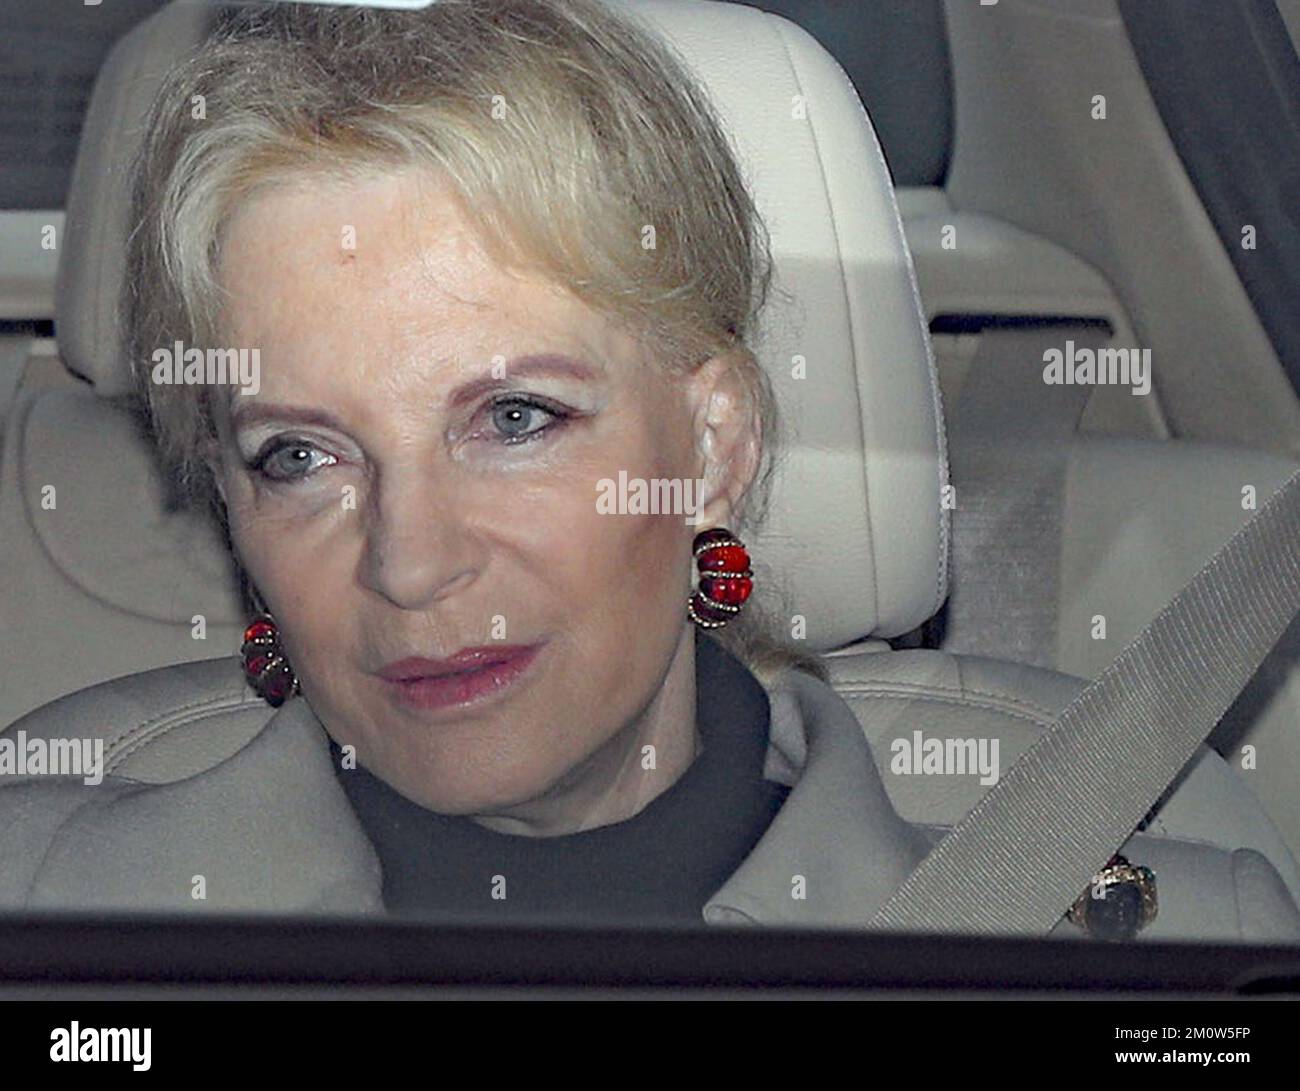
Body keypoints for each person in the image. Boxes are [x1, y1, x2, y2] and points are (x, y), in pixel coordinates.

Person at [1, 0, 1297, 941]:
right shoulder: (43, 907)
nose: (409, 561)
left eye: (514, 418)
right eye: (299, 454)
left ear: (716, 445)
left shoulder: (1165, 936)